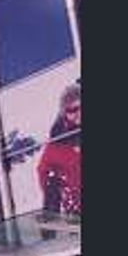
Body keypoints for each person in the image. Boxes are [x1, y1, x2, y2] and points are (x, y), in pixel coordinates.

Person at [37, 82, 82, 216]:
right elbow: (43, 170)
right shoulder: (58, 141)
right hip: (75, 203)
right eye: (72, 110)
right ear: (65, 113)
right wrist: (59, 191)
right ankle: (52, 218)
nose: (78, 113)